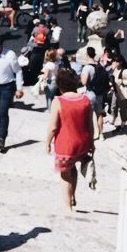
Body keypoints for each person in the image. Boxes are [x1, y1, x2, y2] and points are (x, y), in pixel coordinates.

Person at [45, 68, 94, 211]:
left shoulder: (58, 101)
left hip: (66, 145)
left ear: (60, 85)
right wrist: (92, 143)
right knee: (73, 169)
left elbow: (53, 127)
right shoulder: (85, 100)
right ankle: (72, 196)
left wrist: (47, 142)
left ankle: (67, 206)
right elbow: (90, 125)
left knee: (65, 173)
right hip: (83, 143)